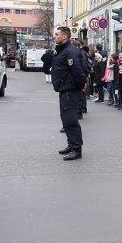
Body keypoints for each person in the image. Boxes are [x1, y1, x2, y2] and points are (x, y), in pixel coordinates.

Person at [52, 26, 87, 160]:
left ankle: (76, 149)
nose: (55, 36)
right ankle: (71, 145)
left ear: (64, 36)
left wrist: (80, 85)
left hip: (70, 90)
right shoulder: (64, 50)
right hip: (64, 89)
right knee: (65, 119)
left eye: (57, 34)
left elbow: (77, 71)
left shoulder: (70, 51)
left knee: (71, 120)